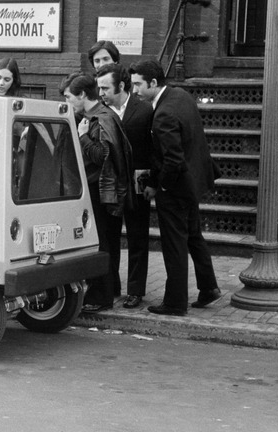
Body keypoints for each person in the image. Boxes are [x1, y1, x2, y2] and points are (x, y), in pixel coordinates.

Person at [129, 59, 221, 316]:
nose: (135, 90)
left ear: (153, 83)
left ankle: (175, 302)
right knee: (193, 236)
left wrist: (159, 187)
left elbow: (173, 160)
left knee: (174, 245)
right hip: (194, 182)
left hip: (177, 189)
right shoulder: (180, 95)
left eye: (138, 85)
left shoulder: (163, 115)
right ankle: (209, 288)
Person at [60, 73, 134, 313]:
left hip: (99, 190)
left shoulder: (99, 119)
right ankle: (109, 290)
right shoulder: (100, 116)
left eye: (69, 96)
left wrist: (81, 136)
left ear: (82, 95)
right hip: (104, 190)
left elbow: (102, 156)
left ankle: (101, 296)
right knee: (107, 241)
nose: (67, 101)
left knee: (100, 242)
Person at [96, 63, 154, 309]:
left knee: (137, 235)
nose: (101, 93)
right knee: (109, 236)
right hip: (110, 183)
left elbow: (153, 147)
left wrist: (152, 181)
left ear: (120, 85)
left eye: (105, 88)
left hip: (137, 181)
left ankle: (135, 290)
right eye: (98, 88)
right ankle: (112, 286)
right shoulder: (99, 111)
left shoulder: (144, 109)